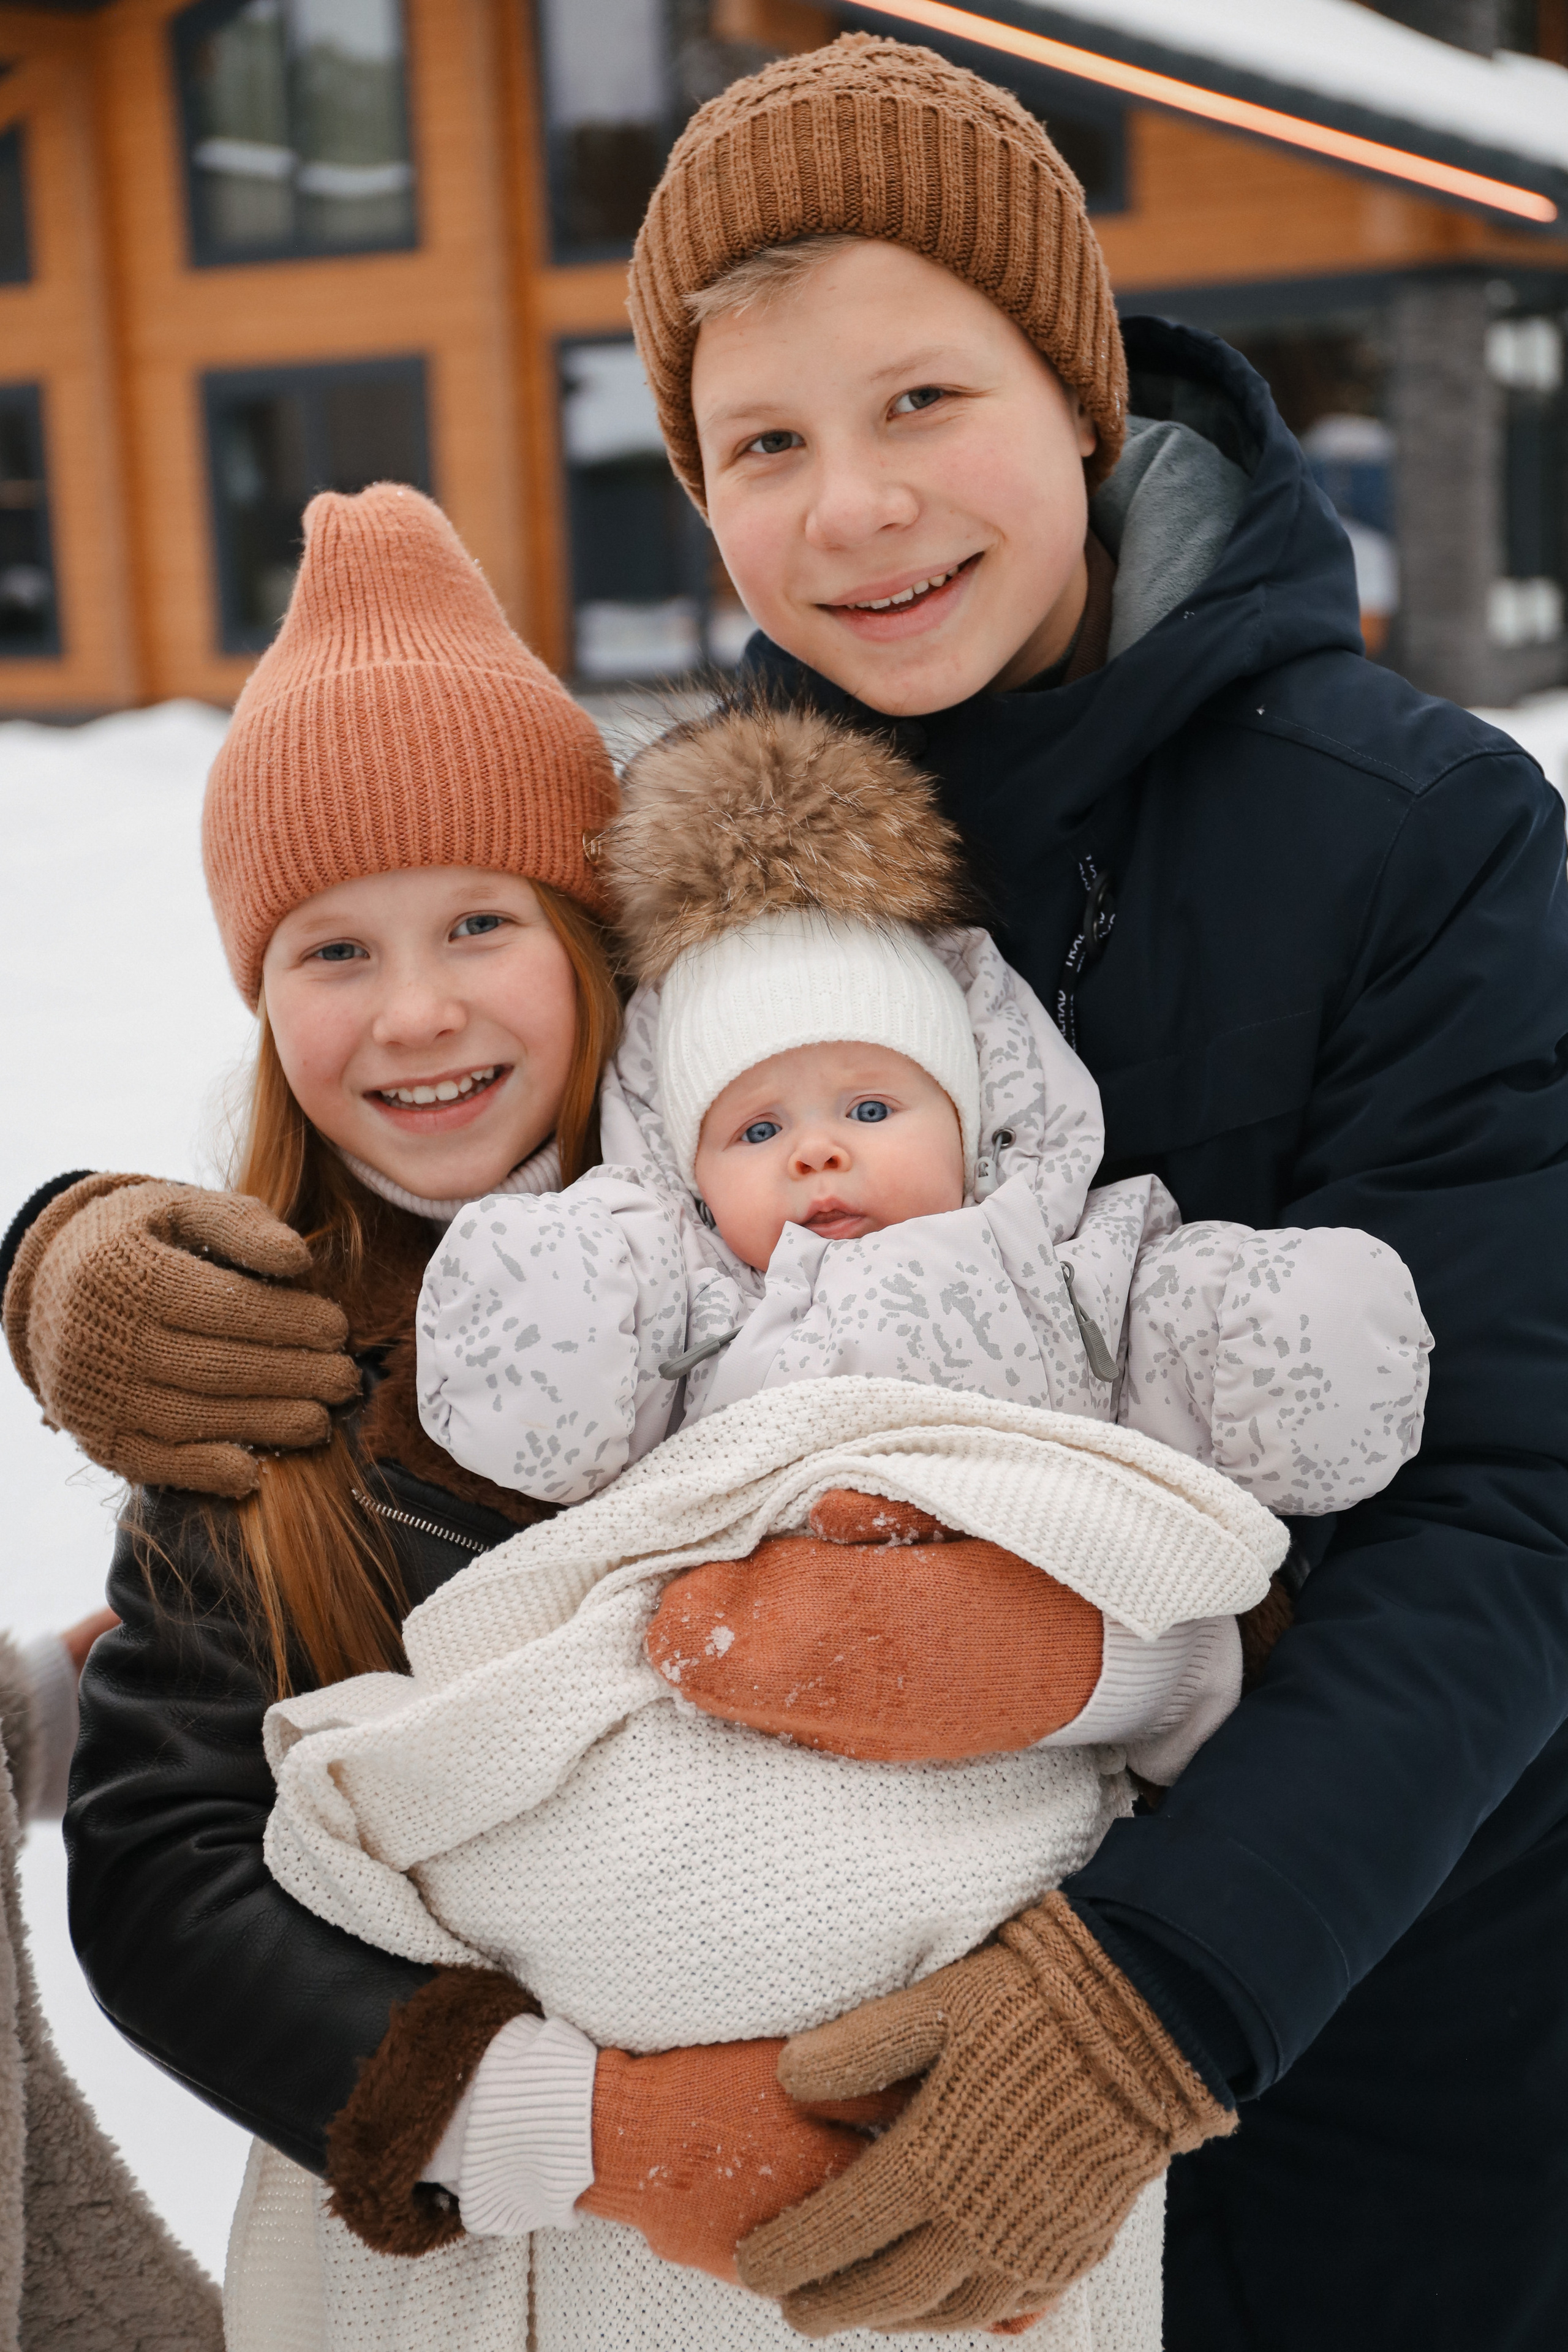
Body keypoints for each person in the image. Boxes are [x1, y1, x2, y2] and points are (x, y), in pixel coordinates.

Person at [8, 31, 1566, 2344]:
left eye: (921, 403)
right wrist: (79, 1253)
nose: (854, 509)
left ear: (1072, 391)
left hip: (1346, 2051)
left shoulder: (1414, 831)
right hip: (802, 2127)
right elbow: (470, 1150)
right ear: (700, 489)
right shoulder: (714, 851)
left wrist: (1162, 1989)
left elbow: (1516, 1513)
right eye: (764, 443)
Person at [9, 480, 1126, 2339]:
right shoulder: (261, 1378)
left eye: (479, 923)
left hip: (905, 2203)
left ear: (591, 938)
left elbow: (1149, 1534)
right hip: (481, 2271)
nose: (419, 1013)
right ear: (262, 1002)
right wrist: (580, 2126)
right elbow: (159, 1875)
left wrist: (1106, 1663)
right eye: (333, 952)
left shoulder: (824, 1220)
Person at [246, 698, 1425, 2348]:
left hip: (992, 1807)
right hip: (683, 1732)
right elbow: (547, 1409)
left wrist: (1143, 1602)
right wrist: (550, 1278)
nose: (816, 1152)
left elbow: (1223, 1372)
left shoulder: (1069, 1262)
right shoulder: (658, 1285)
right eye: (754, 1126)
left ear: (979, 1113)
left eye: (872, 1108)